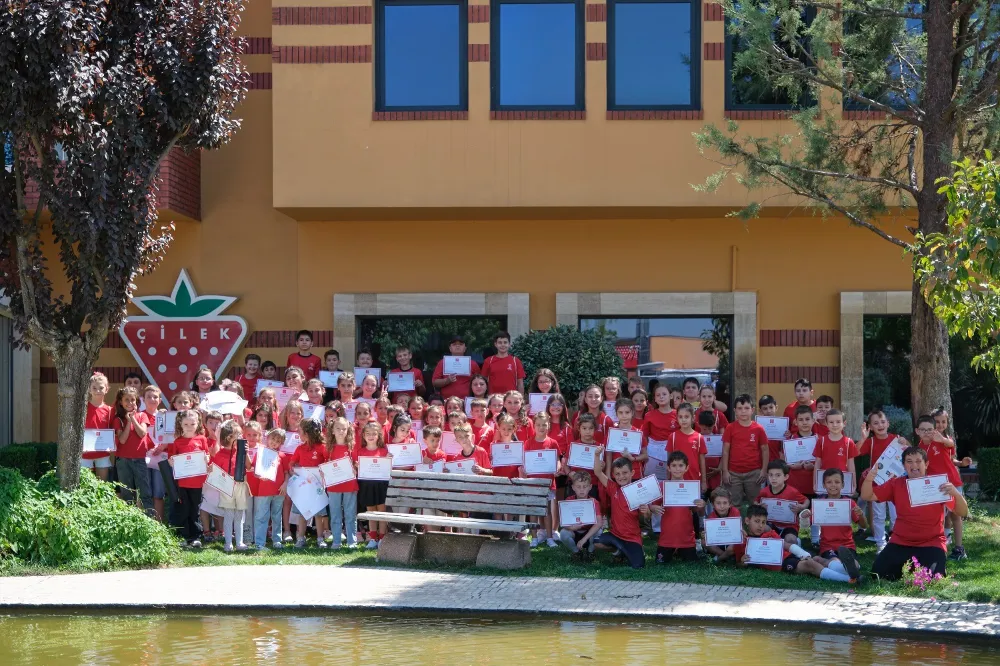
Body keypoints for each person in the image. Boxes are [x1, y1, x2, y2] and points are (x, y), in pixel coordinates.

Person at [863, 446, 968, 581]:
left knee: (932, 578)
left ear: (926, 464)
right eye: (909, 461)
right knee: (878, 574)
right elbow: (868, 495)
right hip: (901, 541)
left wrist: (955, 493)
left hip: (931, 542)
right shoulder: (896, 484)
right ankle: (908, 568)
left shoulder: (938, 484)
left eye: (918, 461)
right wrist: (869, 479)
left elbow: (963, 512)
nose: (914, 465)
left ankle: (919, 568)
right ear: (903, 465)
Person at [731, 504, 862, 584]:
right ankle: (849, 579)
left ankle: (848, 569)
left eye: (763, 522)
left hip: (789, 556)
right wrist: (742, 562)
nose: (760, 525)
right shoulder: (743, 540)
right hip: (781, 564)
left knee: (815, 558)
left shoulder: (770, 534)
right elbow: (739, 563)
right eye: (757, 521)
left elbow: (786, 545)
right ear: (747, 521)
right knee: (810, 564)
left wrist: (803, 553)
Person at [858, 408, 906, 553]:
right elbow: (854, 451)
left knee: (896, 514)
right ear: (870, 427)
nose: (880, 425)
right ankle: (880, 543)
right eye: (876, 423)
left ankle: (896, 540)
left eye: (883, 422)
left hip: (895, 483)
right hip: (877, 483)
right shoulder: (870, 442)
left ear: (888, 423)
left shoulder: (896, 439)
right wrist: (863, 438)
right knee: (879, 515)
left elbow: (909, 452)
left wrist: (906, 442)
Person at [592, 449, 648, 569]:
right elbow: (597, 472)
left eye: (624, 473)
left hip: (632, 537)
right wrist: (597, 455)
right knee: (597, 543)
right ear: (613, 475)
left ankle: (631, 550)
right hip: (615, 534)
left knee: (638, 566)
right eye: (617, 474)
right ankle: (619, 552)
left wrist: (645, 511)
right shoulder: (613, 488)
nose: (621, 476)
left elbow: (646, 518)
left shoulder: (638, 491)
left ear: (632, 473)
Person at [923, 411, 967, 561]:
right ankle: (939, 544)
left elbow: (950, 446)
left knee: (956, 515)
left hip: (952, 483)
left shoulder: (946, 439)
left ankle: (959, 548)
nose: (940, 424)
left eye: (944, 421)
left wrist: (942, 440)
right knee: (939, 517)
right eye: (937, 421)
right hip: (935, 485)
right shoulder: (924, 442)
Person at [810, 408, 858, 543]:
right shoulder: (822, 441)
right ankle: (815, 538)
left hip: (841, 484)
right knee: (819, 509)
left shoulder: (848, 442)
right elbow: (817, 463)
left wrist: (853, 484)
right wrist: (815, 482)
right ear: (826, 424)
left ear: (844, 423)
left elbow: (851, 465)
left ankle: (843, 537)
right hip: (825, 483)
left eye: (838, 422)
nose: (835, 425)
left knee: (841, 510)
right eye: (831, 422)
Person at [649, 451, 706, 564]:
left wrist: (700, 505)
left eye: (681, 465)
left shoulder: (691, 487)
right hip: (667, 539)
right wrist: (652, 508)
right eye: (674, 465)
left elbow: (695, 511)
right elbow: (652, 505)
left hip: (686, 538)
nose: (677, 469)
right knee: (661, 564)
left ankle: (681, 551)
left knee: (692, 564)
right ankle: (674, 551)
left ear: (686, 468)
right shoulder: (662, 486)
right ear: (668, 468)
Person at [166, 409, 209, 547]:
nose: (189, 427)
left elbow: (207, 455)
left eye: (192, 424)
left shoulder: (202, 439)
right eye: (186, 424)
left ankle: (195, 537)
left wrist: (206, 458)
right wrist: (171, 461)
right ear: (181, 424)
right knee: (183, 509)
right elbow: (171, 458)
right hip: (182, 482)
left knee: (194, 509)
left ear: (198, 424)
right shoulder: (177, 442)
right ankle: (183, 536)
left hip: (197, 482)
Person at [111, 386, 155, 516]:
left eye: (132, 400)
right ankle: (130, 521)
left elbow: (142, 433)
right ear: (121, 402)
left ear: (137, 401)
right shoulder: (117, 419)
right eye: (126, 400)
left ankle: (150, 520)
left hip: (139, 459)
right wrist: (128, 421)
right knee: (127, 493)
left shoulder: (142, 416)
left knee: (144, 492)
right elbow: (122, 440)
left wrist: (133, 418)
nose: (130, 403)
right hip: (123, 461)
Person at [288, 419, 331, 548]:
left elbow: (327, 462)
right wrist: (294, 472)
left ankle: (320, 538)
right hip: (304, 487)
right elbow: (292, 463)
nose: (298, 433)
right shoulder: (300, 448)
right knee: (303, 512)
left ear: (307, 433)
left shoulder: (322, 447)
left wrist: (323, 471)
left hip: (317, 487)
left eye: (300, 431)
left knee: (318, 514)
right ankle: (300, 538)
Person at [212, 420, 253, 552]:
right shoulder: (220, 454)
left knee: (240, 514)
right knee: (229, 515)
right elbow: (215, 471)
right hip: (227, 486)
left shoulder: (240, 451)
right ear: (229, 437)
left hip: (241, 484)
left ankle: (239, 542)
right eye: (238, 435)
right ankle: (228, 542)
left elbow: (249, 466)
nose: (241, 437)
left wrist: (245, 452)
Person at [720, 394, 769, 506]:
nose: (743, 411)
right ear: (735, 411)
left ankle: (754, 523)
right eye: (740, 408)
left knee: (756, 503)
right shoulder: (730, 428)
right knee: (733, 504)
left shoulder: (758, 429)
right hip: (733, 473)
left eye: (746, 408)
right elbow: (725, 450)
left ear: (752, 410)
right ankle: (738, 523)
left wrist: (763, 470)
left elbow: (765, 450)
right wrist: (725, 471)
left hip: (754, 473)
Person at [523, 411, 560, 548]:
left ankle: (550, 538)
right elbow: (525, 462)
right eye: (538, 425)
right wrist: (525, 469)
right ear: (534, 426)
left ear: (549, 425)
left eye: (544, 424)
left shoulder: (553, 443)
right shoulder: (528, 443)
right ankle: (534, 537)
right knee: (534, 510)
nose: (541, 427)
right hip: (533, 484)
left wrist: (557, 468)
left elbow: (557, 461)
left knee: (547, 511)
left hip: (548, 484)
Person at [816, 468, 867, 566]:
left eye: (837, 482)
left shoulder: (850, 503)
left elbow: (864, 525)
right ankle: (824, 561)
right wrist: (805, 516)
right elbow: (806, 525)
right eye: (829, 482)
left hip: (847, 545)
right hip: (827, 546)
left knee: (854, 564)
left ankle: (821, 562)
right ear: (823, 485)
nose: (833, 485)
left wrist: (861, 515)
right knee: (835, 562)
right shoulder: (820, 504)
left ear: (843, 484)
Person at [250, 428, 289, 549]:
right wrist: (260, 476)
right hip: (264, 490)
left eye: (278, 441)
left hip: (279, 490)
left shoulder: (282, 455)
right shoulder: (260, 453)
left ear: (281, 443)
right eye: (273, 439)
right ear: (267, 438)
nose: (274, 442)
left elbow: (287, 473)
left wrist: (285, 484)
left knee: (277, 516)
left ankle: (277, 540)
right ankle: (259, 543)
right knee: (261, 516)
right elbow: (254, 470)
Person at [354, 421, 391, 549]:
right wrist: (357, 466)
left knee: (381, 512)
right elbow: (356, 469)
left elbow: (388, 469)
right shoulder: (360, 452)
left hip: (381, 485)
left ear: (379, 435)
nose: (371, 436)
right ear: (363, 436)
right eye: (368, 434)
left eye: (374, 434)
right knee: (371, 512)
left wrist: (389, 459)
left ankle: (382, 538)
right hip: (367, 485)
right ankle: (372, 538)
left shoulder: (384, 451)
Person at [756, 460, 810, 546]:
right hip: (772, 524)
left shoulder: (792, 492)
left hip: (789, 526)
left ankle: (793, 543)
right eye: (771, 475)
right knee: (761, 528)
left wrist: (802, 507)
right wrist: (759, 506)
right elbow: (755, 501)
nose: (773, 478)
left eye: (778, 475)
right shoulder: (764, 492)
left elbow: (806, 500)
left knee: (790, 539)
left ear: (785, 477)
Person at [324, 417, 359, 549]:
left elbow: (357, 464)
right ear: (332, 430)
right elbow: (324, 465)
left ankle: (352, 541)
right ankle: (336, 541)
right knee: (335, 514)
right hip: (333, 486)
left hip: (350, 485)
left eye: (344, 429)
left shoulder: (352, 447)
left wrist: (356, 465)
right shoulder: (328, 447)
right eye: (338, 428)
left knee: (350, 514)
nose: (340, 431)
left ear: (348, 430)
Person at [558, 471, 604, 561]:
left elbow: (599, 523)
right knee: (563, 533)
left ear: (590, 487)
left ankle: (590, 551)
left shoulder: (594, 502)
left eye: (585, 486)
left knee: (599, 531)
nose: (582, 490)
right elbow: (562, 522)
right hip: (574, 532)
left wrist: (584, 539)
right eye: (578, 487)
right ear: (573, 487)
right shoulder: (568, 501)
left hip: (589, 533)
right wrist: (571, 528)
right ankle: (576, 552)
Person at [142, 385, 168, 522]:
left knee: (158, 494)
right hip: (143, 458)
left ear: (160, 399)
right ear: (143, 399)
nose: (152, 399)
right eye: (149, 397)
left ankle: (158, 525)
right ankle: (143, 524)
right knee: (144, 493)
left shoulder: (164, 416)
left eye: (155, 397)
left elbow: (171, 436)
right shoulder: (140, 416)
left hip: (161, 458)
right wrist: (150, 446)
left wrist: (163, 446)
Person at [606, 398, 647, 481]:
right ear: (616, 414)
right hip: (617, 474)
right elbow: (608, 455)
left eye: (627, 412)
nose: (624, 415)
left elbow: (645, 455)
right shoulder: (612, 432)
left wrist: (633, 458)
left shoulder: (638, 433)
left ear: (632, 413)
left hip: (634, 474)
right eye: (620, 412)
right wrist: (608, 473)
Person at [82, 372, 113, 480]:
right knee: (86, 485)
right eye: (94, 388)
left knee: (102, 484)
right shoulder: (83, 408)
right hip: (85, 452)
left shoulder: (109, 410)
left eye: (101, 388)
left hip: (103, 452)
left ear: (107, 389)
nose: (98, 391)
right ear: (89, 389)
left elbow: (112, 429)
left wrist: (112, 444)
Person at [432, 336, 481, 401]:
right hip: (447, 401)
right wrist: (447, 380)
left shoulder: (473, 364)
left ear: (465, 348)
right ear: (450, 348)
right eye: (454, 344)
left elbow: (480, 382)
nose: (457, 346)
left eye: (461, 344)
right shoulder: (442, 362)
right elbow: (435, 383)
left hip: (468, 400)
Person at [786, 405, 820, 498]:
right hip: (794, 485)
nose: (804, 422)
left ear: (813, 421)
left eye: (807, 419)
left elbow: (824, 461)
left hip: (813, 486)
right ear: (795, 422)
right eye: (801, 420)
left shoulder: (819, 439)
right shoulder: (790, 439)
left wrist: (814, 466)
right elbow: (784, 461)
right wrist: (792, 466)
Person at [703, 487, 740, 562]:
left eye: (725, 503)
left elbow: (738, 531)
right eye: (718, 503)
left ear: (730, 504)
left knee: (734, 546)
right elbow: (710, 535)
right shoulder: (711, 517)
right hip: (718, 543)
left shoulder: (735, 512)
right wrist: (706, 534)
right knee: (703, 541)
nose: (722, 506)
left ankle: (719, 559)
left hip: (731, 542)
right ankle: (726, 556)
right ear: (713, 505)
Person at [756, 394, 783, 462]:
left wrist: (787, 436)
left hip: (776, 461)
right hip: (760, 462)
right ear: (760, 411)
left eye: (771, 407)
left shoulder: (782, 425)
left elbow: (783, 448)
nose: (768, 411)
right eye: (765, 408)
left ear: (776, 408)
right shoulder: (757, 426)